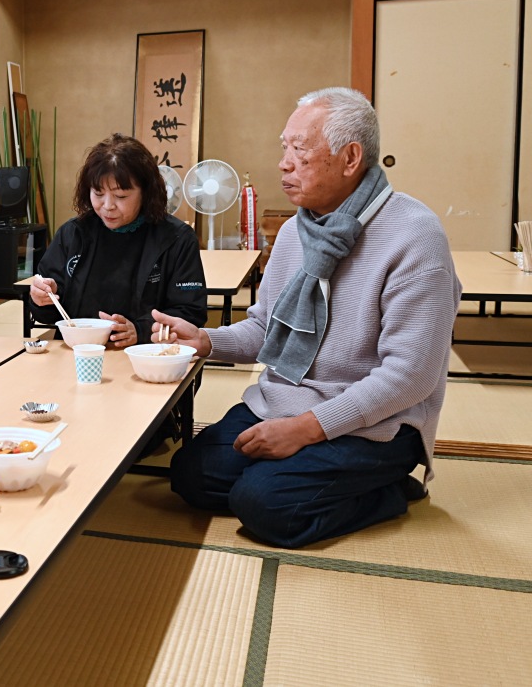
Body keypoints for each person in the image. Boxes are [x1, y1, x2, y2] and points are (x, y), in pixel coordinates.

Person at [156, 87, 461, 549]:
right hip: (285, 400)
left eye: (299, 150)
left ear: (350, 157)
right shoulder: (300, 227)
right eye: (285, 147)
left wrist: (304, 430)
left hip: (376, 422)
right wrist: (204, 341)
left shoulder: (415, 236)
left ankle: (390, 489)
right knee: (191, 477)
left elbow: (410, 377)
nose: (284, 162)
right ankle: (301, 475)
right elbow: (264, 327)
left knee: (264, 504)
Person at [29, 133, 207, 348]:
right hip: (78, 356)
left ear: (146, 192)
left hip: (150, 356)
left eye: (121, 196)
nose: (107, 205)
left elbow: (190, 313)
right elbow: (47, 314)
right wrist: (41, 299)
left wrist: (139, 331)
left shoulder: (176, 238)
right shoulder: (74, 234)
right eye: (98, 193)